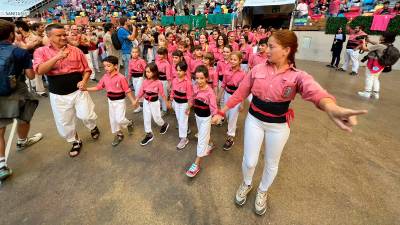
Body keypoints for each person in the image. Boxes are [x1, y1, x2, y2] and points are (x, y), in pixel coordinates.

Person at [213, 30, 367, 216]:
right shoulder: (257, 70)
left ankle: (262, 190)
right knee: (250, 160)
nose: (265, 50)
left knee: (271, 163)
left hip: (278, 126)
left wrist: (331, 107)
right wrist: (222, 110)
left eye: (271, 46)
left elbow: (315, 92)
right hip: (254, 121)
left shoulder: (298, 76)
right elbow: (241, 93)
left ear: (286, 50)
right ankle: (246, 184)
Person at [33, 24, 100, 158]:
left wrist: (84, 81)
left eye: (64, 34)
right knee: (65, 122)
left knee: (86, 114)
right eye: (59, 35)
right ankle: (75, 141)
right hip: (58, 93)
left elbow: (86, 70)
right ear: (49, 36)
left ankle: (92, 126)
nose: (64, 37)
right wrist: (57, 57)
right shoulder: (41, 52)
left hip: (78, 90)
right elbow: (39, 70)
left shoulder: (76, 50)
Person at [0, 19, 43, 181]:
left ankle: (2, 164)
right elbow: (31, 75)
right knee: (24, 117)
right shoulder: (20, 52)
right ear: (11, 34)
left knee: (0, 129)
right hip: (17, 90)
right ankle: (22, 141)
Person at [82, 56, 135, 146]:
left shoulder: (121, 77)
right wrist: (86, 89)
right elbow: (98, 87)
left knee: (120, 119)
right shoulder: (105, 77)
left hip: (119, 101)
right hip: (111, 101)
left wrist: (133, 101)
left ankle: (129, 123)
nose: (106, 68)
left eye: (108, 66)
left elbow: (127, 90)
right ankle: (119, 134)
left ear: (115, 66)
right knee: (113, 120)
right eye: (105, 66)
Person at [185, 65, 217, 178]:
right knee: (204, 135)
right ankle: (211, 144)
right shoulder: (195, 87)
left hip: (206, 119)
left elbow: (213, 107)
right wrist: (188, 108)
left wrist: (214, 117)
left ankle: (196, 163)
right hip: (197, 116)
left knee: (201, 140)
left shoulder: (210, 92)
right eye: (197, 78)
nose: (199, 81)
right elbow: (192, 99)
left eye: (202, 78)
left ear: (207, 78)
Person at [134, 63, 170, 146]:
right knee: (146, 118)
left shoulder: (158, 82)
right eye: (146, 72)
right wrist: (136, 100)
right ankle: (149, 134)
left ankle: (164, 124)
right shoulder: (144, 81)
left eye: (149, 72)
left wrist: (167, 103)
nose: (147, 73)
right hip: (146, 102)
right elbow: (141, 92)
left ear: (154, 72)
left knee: (157, 118)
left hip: (154, 103)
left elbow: (162, 94)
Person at [357, 32, 397, 99]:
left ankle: (367, 93)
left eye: (382, 35)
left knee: (369, 77)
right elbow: (376, 44)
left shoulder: (380, 46)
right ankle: (376, 94)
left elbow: (365, 49)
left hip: (374, 63)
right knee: (375, 78)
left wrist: (363, 41)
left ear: (384, 38)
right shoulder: (388, 45)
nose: (380, 36)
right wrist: (369, 40)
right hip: (381, 64)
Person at [169, 61, 193, 150]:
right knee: (180, 119)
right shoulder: (175, 80)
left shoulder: (188, 82)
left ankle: (184, 138)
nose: (178, 72)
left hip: (184, 104)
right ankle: (186, 130)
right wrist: (171, 100)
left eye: (180, 70)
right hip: (176, 102)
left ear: (185, 71)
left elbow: (190, 96)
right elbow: (173, 91)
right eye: (177, 70)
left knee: (182, 120)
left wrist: (188, 107)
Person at [128, 47, 147, 113]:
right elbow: (130, 70)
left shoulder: (141, 60)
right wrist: (129, 79)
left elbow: (146, 69)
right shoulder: (130, 61)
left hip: (140, 78)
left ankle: (145, 106)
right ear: (131, 53)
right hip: (134, 78)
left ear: (138, 53)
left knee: (138, 93)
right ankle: (141, 106)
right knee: (137, 92)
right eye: (133, 52)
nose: (134, 54)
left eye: (136, 52)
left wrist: (146, 78)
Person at [155, 47, 172, 115]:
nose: (159, 55)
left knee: (164, 95)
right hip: (157, 80)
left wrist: (169, 84)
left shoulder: (166, 64)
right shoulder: (156, 61)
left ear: (165, 55)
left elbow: (168, 75)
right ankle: (160, 107)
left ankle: (164, 109)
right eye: (158, 54)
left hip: (164, 81)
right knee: (158, 95)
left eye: (161, 54)